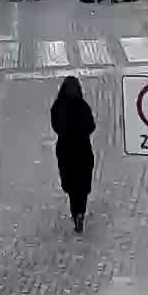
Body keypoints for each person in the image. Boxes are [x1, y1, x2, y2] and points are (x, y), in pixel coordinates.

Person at [50, 76, 97, 233]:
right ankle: (81, 212)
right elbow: (91, 125)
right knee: (82, 184)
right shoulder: (83, 106)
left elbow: (55, 126)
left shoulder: (57, 106)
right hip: (82, 147)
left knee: (71, 184)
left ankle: (74, 211)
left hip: (65, 148)